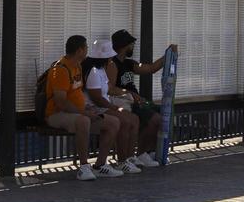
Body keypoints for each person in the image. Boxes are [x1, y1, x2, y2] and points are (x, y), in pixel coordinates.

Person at [45, 35, 122, 180]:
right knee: (83, 121)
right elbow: (61, 102)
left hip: (78, 111)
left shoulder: (77, 67)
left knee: (113, 122)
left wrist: (87, 109)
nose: (87, 50)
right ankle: (84, 167)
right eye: (86, 47)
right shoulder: (61, 69)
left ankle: (100, 165)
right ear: (79, 50)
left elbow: (77, 93)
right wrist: (84, 113)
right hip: (57, 114)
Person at [111, 29, 176, 167]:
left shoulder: (129, 63)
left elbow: (150, 68)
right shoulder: (112, 64)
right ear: (124, 45)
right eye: (131, 44)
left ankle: (150, 151)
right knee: (154, 119)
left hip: (137, 100)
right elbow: (110, 88)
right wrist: (128, 93)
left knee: (163, 115)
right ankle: (141, 153)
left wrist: (167, 55)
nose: (132, 47)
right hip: (126, 102)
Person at [84, 38, 142, 174]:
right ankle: (121, 161)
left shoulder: (101, 70)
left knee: (134, 119)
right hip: (97, 108)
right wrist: (113, 107)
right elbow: (97, 98)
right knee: (125, 121)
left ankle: (128, 158)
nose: (111, 59)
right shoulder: (93, 72)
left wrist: (127, 92)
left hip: (103, 106)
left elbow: (109, 89)